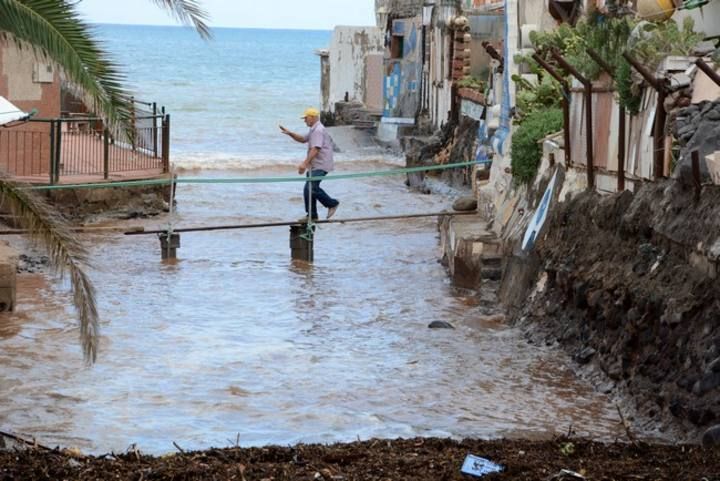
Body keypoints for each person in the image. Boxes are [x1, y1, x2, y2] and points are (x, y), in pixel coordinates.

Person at [279, 108, 340, 221]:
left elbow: (316, 148)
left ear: (312, 117)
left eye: (306, 118)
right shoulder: (314, 129)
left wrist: (304, 164)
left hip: (321, 164)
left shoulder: (318, 130)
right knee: (308, 189)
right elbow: (303, 139)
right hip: (316, 165)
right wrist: (290, 133)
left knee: (311, 187)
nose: (304, 120)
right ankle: (312, 215)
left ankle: (332, 203)